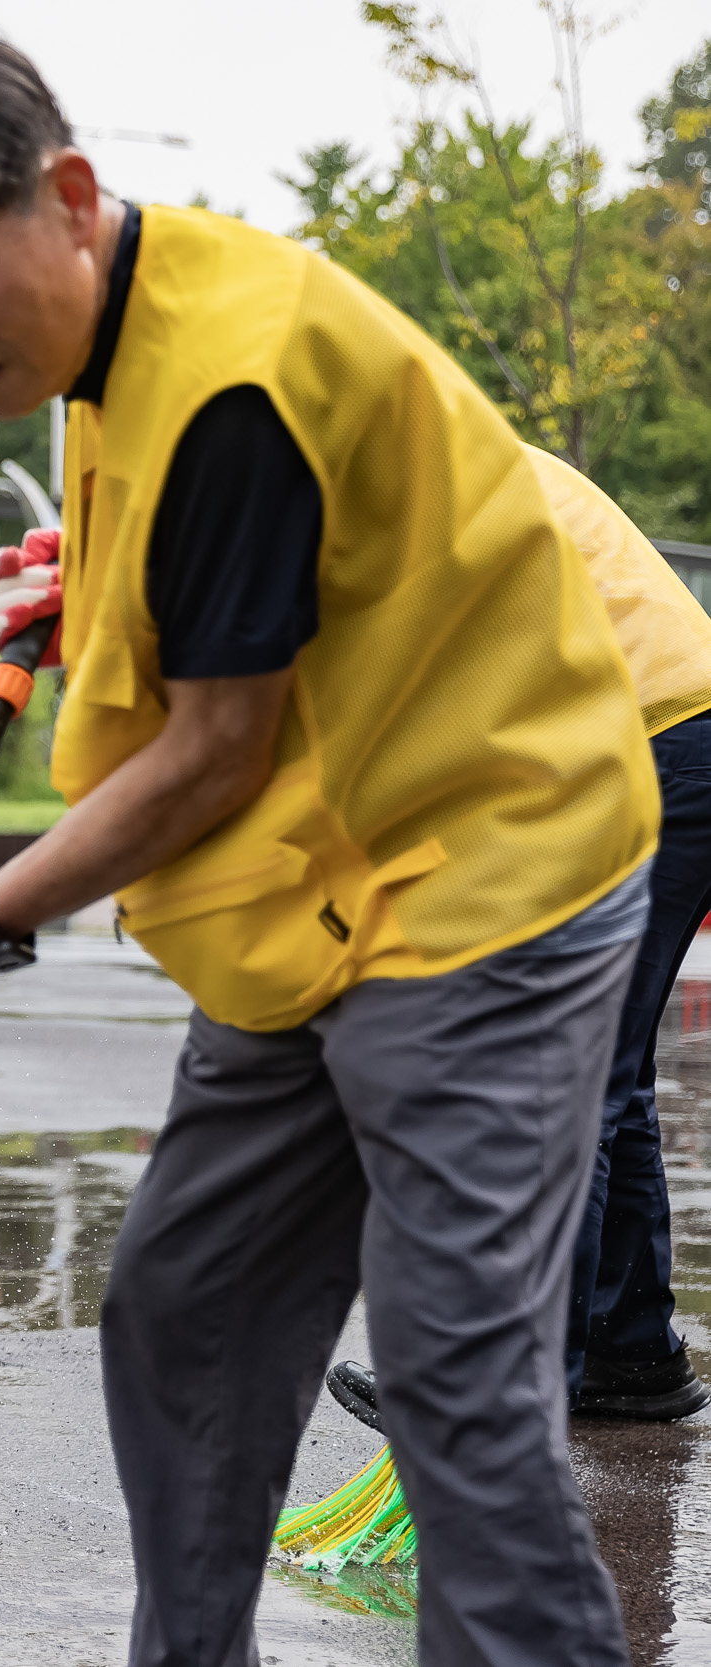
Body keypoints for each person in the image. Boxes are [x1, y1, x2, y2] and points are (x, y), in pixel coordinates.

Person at [0, 33, 655, 1665]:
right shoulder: (106, 346)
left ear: (61, 197)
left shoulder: (236, 367)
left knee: (456, 1367)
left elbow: (215, 746)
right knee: (186, 1308)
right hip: (303, 889)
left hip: (478, 862)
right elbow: (207, 605)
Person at [331, 449, 711, 1430]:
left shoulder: (423, 483)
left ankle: (504, 1385)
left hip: (649, 743)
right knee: (607, 1072)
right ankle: (630, 1354)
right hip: (678, 729)